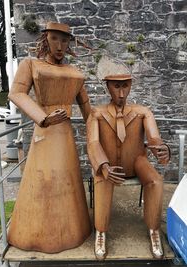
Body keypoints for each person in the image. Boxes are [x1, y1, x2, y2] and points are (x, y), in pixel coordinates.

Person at [7, 22, 91, 253]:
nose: (60, 45)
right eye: (55, 39)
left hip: (65, 136)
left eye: (65, 40)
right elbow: (16, 92)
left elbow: (86, 107)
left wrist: (97, 129)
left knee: (67, 179)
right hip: (44, 132)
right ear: (46, 39)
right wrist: (42, 118)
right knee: (42, 179)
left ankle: (73, 230)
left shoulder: (74, 72)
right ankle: (32, 232)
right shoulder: (30, 64)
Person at [87, 74, 170, 260]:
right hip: (108, 163)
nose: (122, 93)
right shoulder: (97, 114)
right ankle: (101, 232)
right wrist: (103, 165)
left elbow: (154, 137)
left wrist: (162, 148)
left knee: (155, 180)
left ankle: (154, 230)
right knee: (102, 179)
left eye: (126, 86)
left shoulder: (143, 112)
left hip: (136, 162)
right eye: (117, 87)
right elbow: (92, 143)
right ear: (107, 87)